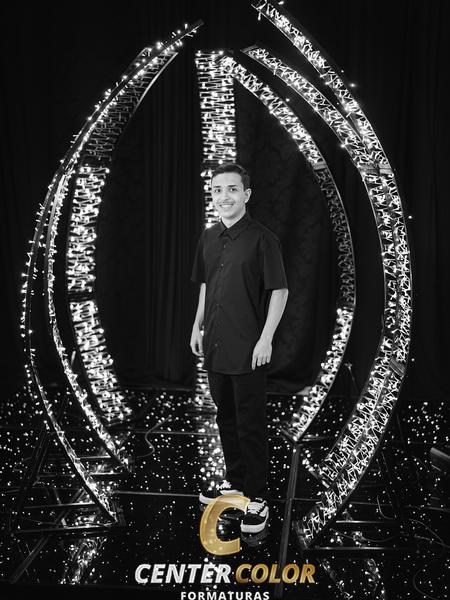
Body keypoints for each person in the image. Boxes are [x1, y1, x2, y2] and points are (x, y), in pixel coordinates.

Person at [190, 163, 288, 533]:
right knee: (225, 418)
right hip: (215, 344)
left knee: (250, 424)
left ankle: (258, 497)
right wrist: (196, 326)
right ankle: (235, 484)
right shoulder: (208, 237)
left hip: (249, 347)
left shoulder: (263, 239)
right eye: (217, 190)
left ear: (246, 194)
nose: (224, 196)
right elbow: (205, 284)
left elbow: (280, 290)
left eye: (232, 189)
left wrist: (266, 338)